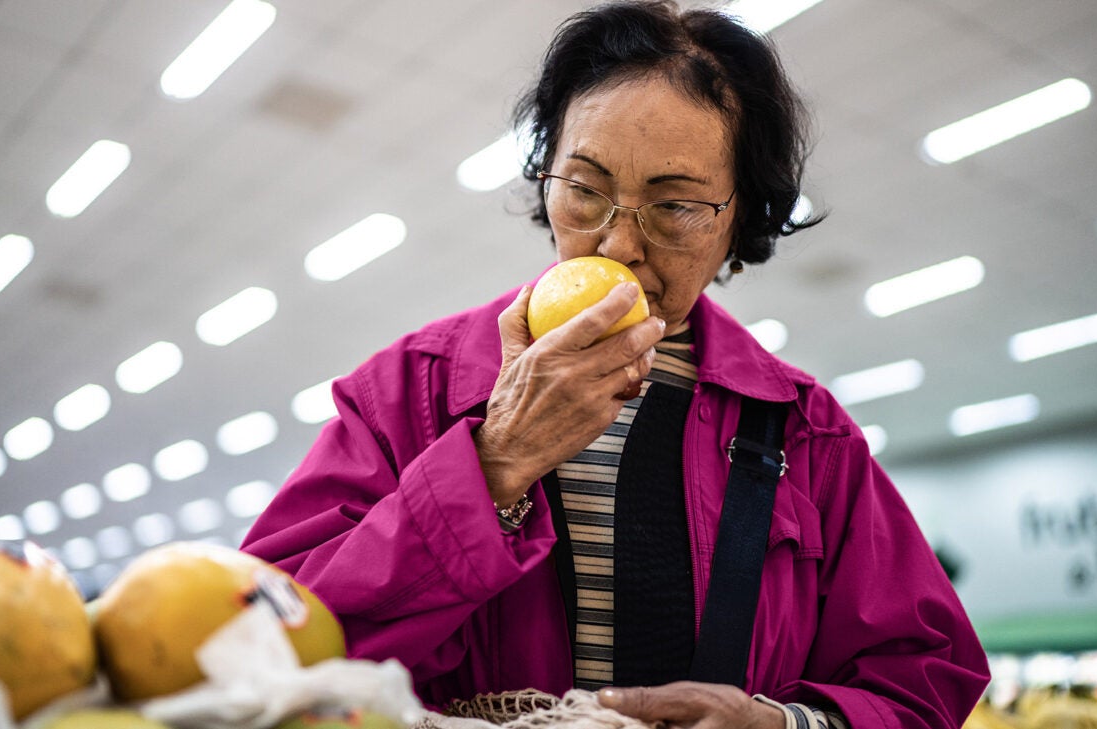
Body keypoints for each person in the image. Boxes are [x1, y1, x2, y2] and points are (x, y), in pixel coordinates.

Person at [242, 1, 991, 727]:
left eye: (673, 206)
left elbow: (924, 677)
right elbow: (253, 645)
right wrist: (494, 462)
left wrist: (785, 723)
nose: (616, 246)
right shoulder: (409, 391)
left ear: (742, 215)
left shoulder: (806, 432)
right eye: (586, 188)